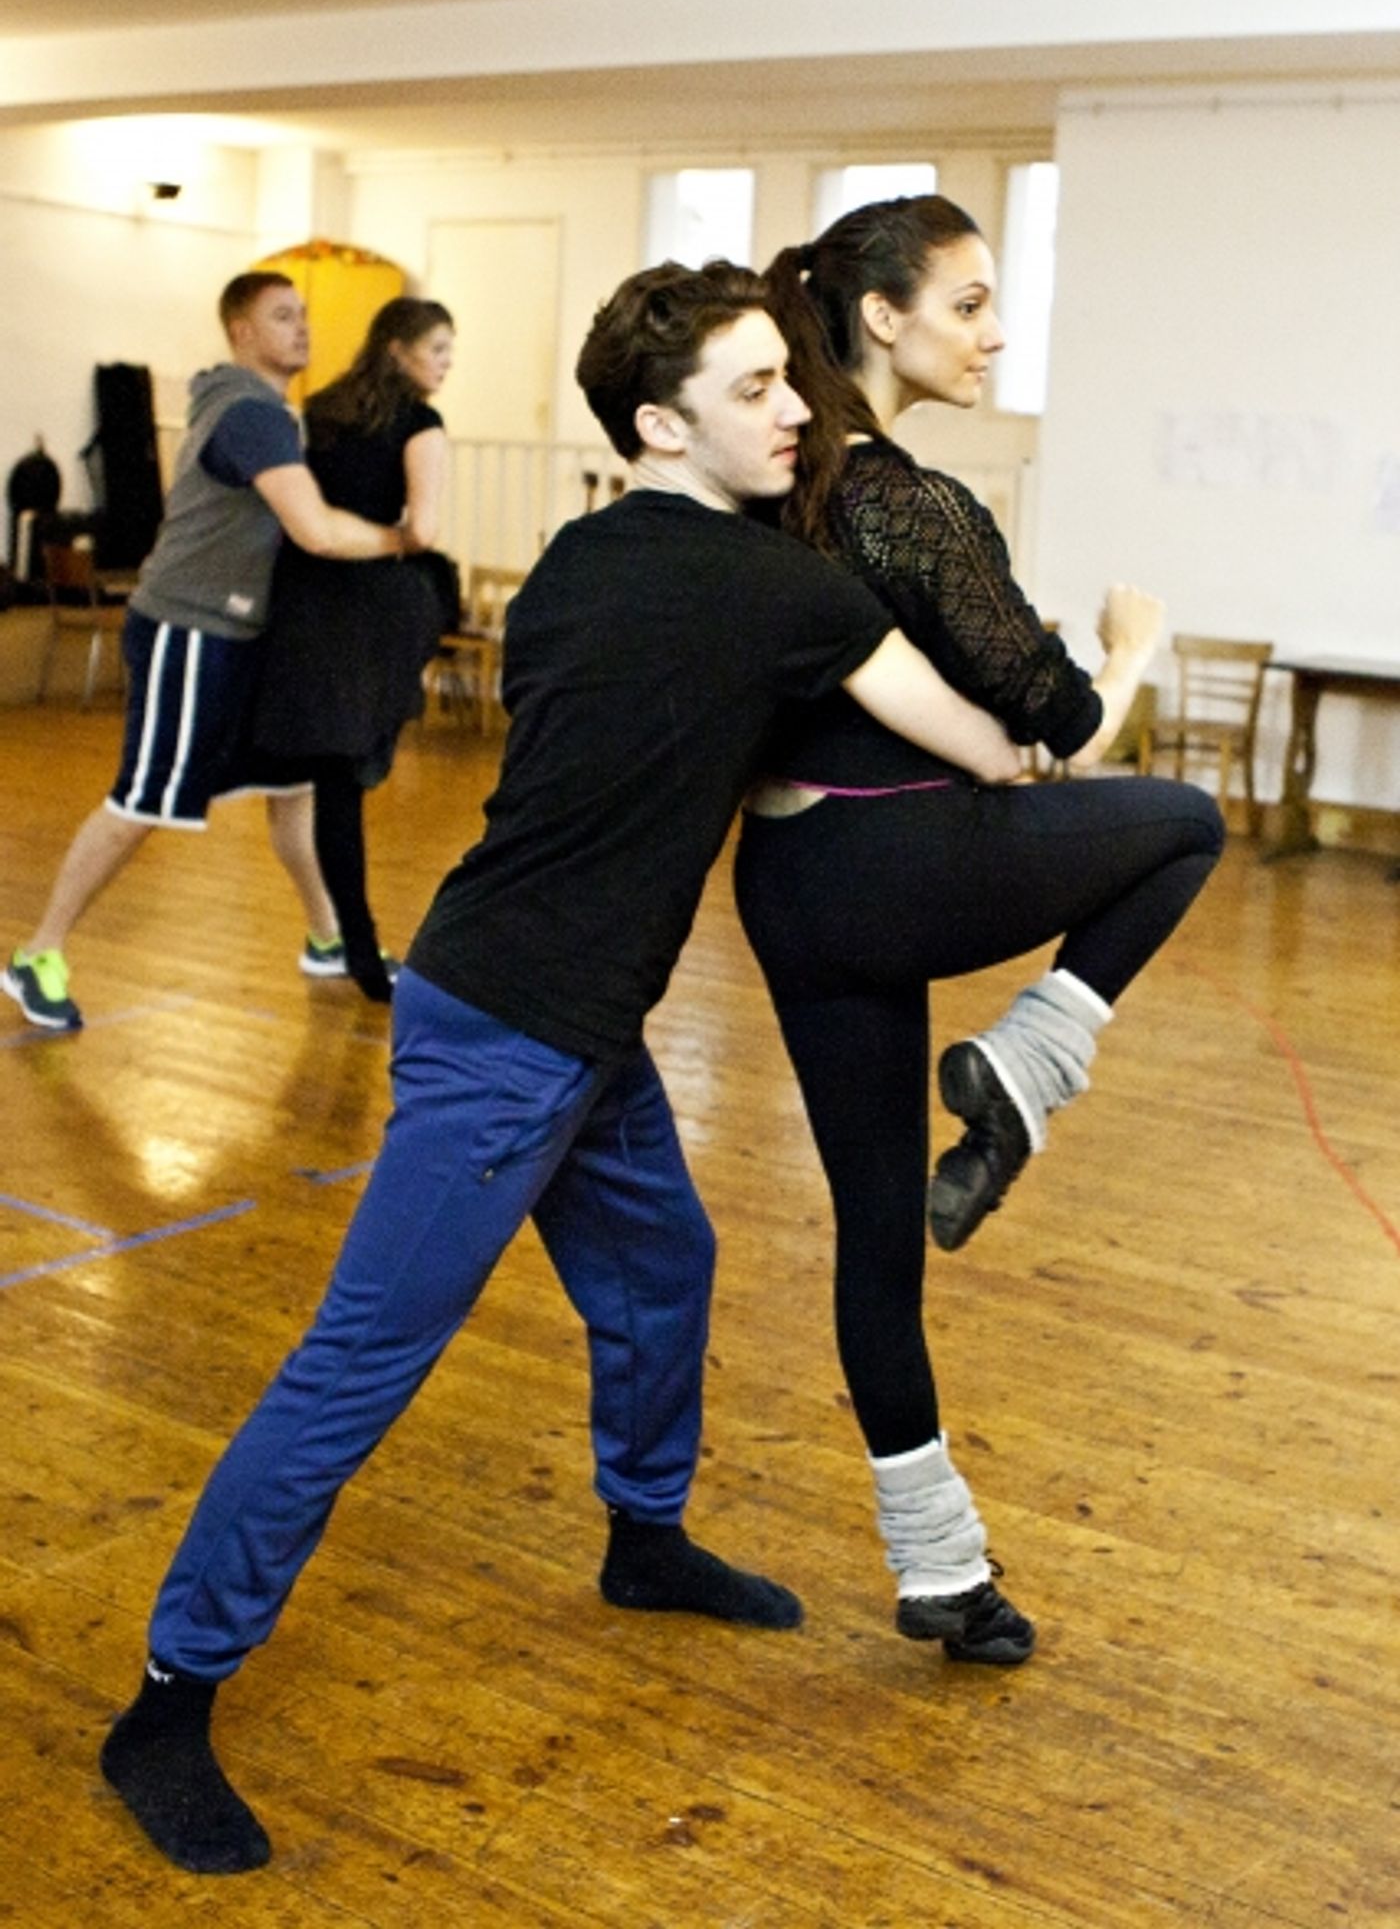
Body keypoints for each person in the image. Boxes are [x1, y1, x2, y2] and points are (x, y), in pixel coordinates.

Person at [97, 259, 1024, 1877]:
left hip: (552, 1010)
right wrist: (1049, 715)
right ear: (665, 425)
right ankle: (167, 1700)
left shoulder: (589, 559)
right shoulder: (775, 594)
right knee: (353, 1370)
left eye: (791, 381)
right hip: (517, 1032)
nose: (799, 407)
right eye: (756, 390)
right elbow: (986, 743)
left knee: (668, 1265)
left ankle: (645, 1538)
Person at [733, 194, 1225, 1658]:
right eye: (969, 301)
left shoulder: (769, 480)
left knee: (879, 1236)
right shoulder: (904, 499)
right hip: (895, 868)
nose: (996, 331)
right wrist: (1130, 649)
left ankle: (940, 1564)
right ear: (881, 316)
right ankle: (1031, 1065)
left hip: (788, 892)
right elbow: (1062, 725)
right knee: (1183, 824)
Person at [2, 272, 410, 1034]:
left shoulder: (270, 412)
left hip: (242, 632)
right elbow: (314, 529)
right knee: (142, 801)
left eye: (305, 316)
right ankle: (38, 951)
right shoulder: (249, 414)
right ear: (241, 331)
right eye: (281, 316)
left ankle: (328, 938)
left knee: (293, 784)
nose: (302, 329)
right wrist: (404, 538)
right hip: (189, 631)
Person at [253, 297, 459, 1001]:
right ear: (399, 349)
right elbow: (424, 530)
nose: (446, 363)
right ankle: (360, 953)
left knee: (306, 790)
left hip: (298, 599)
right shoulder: (422, 424)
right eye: (438, 349)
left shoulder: (324, 408)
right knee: (340, 788)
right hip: (362, 611)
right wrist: (397, 539)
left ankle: (339, 938)